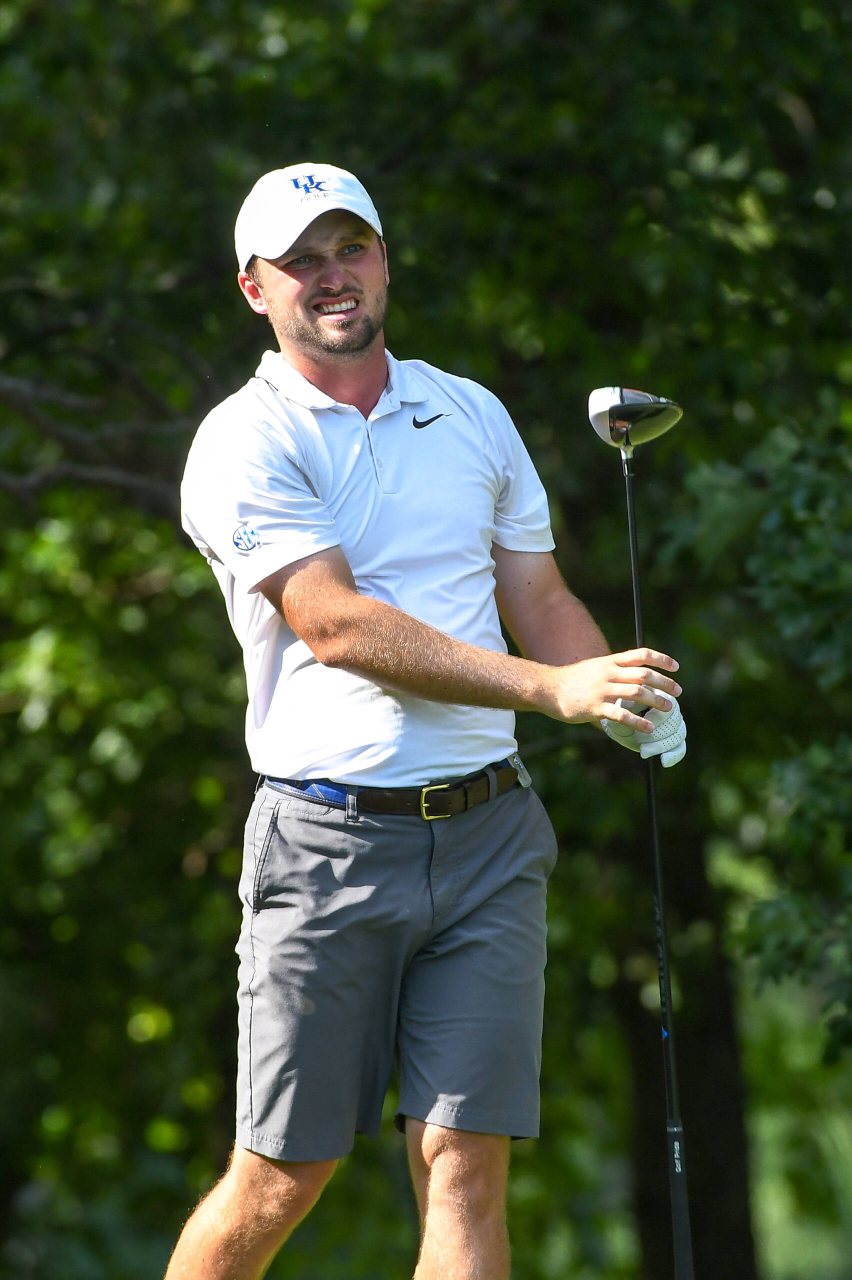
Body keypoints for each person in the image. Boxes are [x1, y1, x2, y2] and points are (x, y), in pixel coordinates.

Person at [173, 163, 686, 1280]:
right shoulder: (243, 438)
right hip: (327, 845)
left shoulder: (470, 412)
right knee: (282, 1174)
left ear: (385, 260)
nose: (333, 276)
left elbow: (538, 598)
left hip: (491, 837)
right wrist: (550, 691)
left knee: (464, 1166)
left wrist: (616, 689)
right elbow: (336, 624)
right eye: (302, 261)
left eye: (350, 248)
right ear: (255, 288)